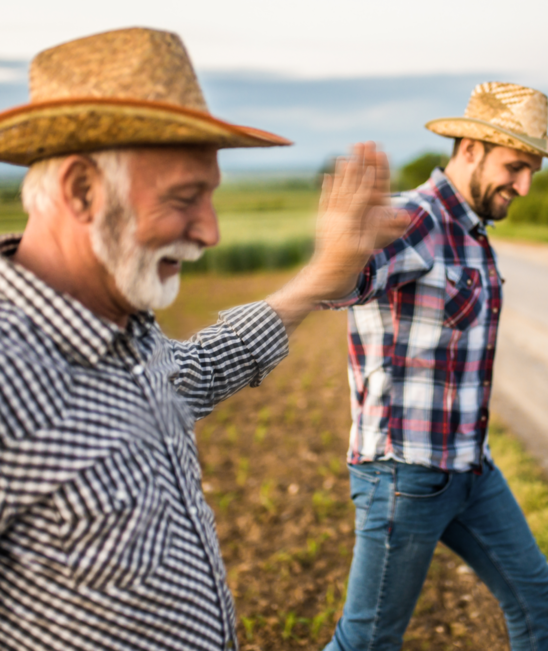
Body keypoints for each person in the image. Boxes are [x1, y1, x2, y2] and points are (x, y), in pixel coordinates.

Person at [0, 28, 409, 651]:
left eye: (211, 196)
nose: (211, 231)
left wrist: (319, 278)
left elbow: (192, 373)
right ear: (82, 190)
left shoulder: (122, 328)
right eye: (184, 199)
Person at [323, 82, 548, 651]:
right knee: (366, 640)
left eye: (533, 170)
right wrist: (337, 252)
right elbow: (344, 283)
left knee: (538, 597)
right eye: (515, 167)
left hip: (470, 470)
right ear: (469, 149)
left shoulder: (471, 230)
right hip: (404, 477)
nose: (526, 186)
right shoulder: (416, 220)